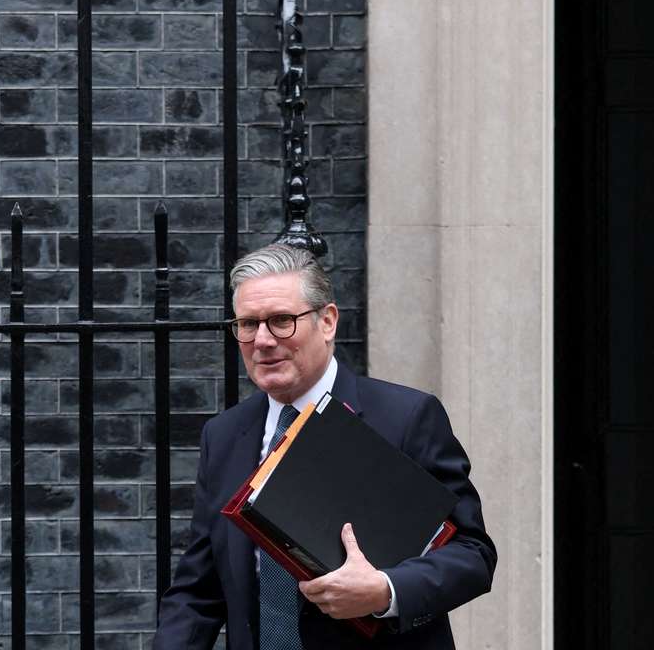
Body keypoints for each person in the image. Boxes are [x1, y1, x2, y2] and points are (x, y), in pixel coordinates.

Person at [153, 243, 496, 649]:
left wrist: (385, 590)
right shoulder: (225, 435)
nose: (262, 340)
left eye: (281, 320)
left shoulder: (406, 418)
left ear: (328, 321)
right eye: (247, 324)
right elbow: (200, 588)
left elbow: (473, 554)